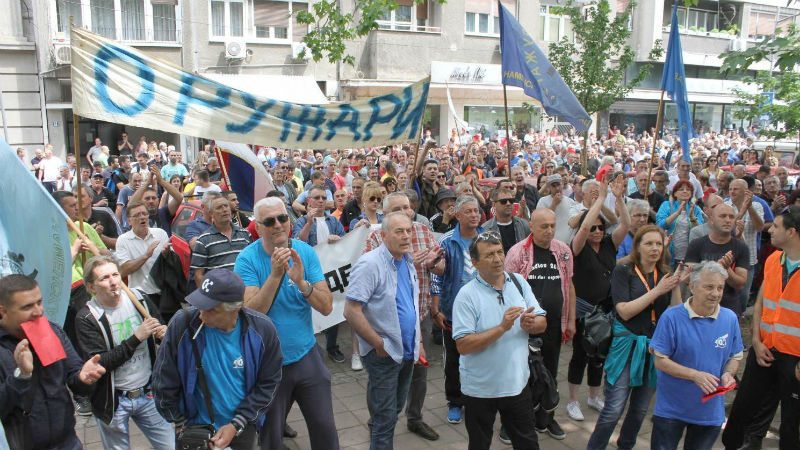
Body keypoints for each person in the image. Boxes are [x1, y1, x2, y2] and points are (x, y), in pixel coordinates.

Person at [233, 197, 339, 450]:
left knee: (325, 429)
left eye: (283, 218)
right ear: (258, 227)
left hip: (306, 355)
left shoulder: (305, 252)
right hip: (267, 364)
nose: (278, 225)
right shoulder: (247, 259)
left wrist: (302, 284)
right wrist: (275, 275)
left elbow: (326, 306)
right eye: (269, 221)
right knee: (270, 437)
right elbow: (250, 312)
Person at [152, 269, 282, 450]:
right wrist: (180, 423)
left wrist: (237, 424)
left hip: (240, 430)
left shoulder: (263, 331)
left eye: (210, 309)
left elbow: (269, 383)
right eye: (200, 305)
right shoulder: (183, 324)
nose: (201, 314)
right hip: (194, 430)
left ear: (235, 308)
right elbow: (163, 380)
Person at [586, 225, 684, 450]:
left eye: (658, 244)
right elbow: (624, 311)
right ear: (638, 246)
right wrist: (658, 290)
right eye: (649, 243)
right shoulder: (624, 270)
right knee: (613, 409)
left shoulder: (664, 273)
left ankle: (626, 445)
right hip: (626, 346)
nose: (654, 248)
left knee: (639, 410)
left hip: (653, 348)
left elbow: (675, 311)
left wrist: (675, 286)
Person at [452, 231, 547, 450]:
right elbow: (463, 346)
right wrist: (502, 328)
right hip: (480, 390)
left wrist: (533, 324)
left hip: (517, 385)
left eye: (499, 252)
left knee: (528, 443)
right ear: (475, 263)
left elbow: (542, 321)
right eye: (489, 255)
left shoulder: (518, 281)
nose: (497, 259)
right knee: (479, 444)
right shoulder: (466, 296)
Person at [363, 192, 444, 441]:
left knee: (418, 373)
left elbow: (442, 267)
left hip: (418, 315)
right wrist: (409, 258)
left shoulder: (422, 229)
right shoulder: (378, 235)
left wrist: (432, 262)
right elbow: (372, 268)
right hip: (388, 323)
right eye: (397, 208)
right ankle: (378, 418)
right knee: (383, 377)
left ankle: (415, 418)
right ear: (385, 216)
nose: (404, 212)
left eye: (407, 207)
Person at [74, 256, 174, 450]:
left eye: (115, 274)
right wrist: (137, 338)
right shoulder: (87, 317)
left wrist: (163, 334)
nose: (113, 282)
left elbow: (159, 329)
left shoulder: (140, 299)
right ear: (91, 287)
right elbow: (101, 363)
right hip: (114, 401)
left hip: (148, 394)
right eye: (104, 278)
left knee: (171, 446)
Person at [723, 206, 800, 450]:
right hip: (764, 348)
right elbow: (761, 303)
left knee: (791, 419)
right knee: (744, 405)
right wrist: (755, 340)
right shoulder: (774, 260)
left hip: (794, 358)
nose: (770, 230)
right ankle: (735, 444)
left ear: (792, 232)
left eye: (776, 226)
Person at [345, 212, 424, 450]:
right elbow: (351, 310)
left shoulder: (407, 261)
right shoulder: (370, 264)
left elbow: (409, 305)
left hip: (406, 350)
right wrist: (378, 343)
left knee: (394, 407)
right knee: (386, 417)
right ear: (383, 235)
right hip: (384, 353)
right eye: (399, 231)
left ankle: (377, 430)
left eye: (408, 231)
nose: (406, 236)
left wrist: (418, 340)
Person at [0, 274, 106, 450]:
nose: (38, 311)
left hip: (68, 442)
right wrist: (21, 376)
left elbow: (74, 377)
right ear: (3, 311)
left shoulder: (53, 331)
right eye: (27, 307)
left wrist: (84, 377)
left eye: (39, 302)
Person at [649, 261, 743, 450]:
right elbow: (660, 361)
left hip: (709, 414)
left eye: (720, 288)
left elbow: (736, 356)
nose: (716, 293)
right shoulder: (671, 318)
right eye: (709, 287)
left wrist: (729, 373)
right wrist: (694, 375)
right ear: (692, 287)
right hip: (671, 411)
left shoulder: (730, 318)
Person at [505, 208, 575, 444]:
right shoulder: (518, 253)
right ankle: (512, 423)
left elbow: (569, 286)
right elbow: (506, 291)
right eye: (543, 226)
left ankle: (546, 417)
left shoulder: (563, 251)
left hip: (554, 326)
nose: (549, 230)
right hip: (524, 328)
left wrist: (571, 319)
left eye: (553, 225)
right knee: (521, 376)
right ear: (531, 227)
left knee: (550, 373)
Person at [566, 180, 629, 427]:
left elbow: (625, 224)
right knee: (580, 355)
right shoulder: (579, 247)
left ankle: (593, 396)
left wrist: (619, 198)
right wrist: (600, 200)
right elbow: (582, 229)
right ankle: (573, 400)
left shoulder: (609, 245)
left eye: (600, 228)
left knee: (600, 355)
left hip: (606, 310)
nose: (597, 231)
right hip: (583, 311)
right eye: (593, 228)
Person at [430, 195, 483, 424]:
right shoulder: (447, 241)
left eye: (476, 211)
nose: (474, 215)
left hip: (482, 312)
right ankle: (455, 401)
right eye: (468, 211)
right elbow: (436, 275)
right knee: (453, 360)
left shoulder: (487, 238)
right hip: (452, 311)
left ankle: (479, 400)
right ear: (458, 215)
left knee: (481, 357)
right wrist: (436, 307)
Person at [684, 203, 749, 315]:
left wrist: (726, 269)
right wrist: (716, 268)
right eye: (723, 216)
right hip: (699, 308)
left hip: (729, 308)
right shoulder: (697, 244)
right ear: (711, 220)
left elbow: (740, 284)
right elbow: (687, 278)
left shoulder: (741, 247)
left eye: (731, 217)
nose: (728, 220)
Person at [116, 201, 171, 309]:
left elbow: (171, 262)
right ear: (129, 221)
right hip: (140, 295)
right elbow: (124, 270)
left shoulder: (160, 233)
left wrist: (166, 254)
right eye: (137, 215)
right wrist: (146, 255)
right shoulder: (123, 240)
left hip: (165, 293)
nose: (142, 217)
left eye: (144, 214)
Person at [190, 195, 253, 287]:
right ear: (211, 213)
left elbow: (253, 263)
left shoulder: (245, 234)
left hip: (246, 292)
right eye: (219, 207)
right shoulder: (204, 240)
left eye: (226, 206)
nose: (224, 210)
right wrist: (209, 298)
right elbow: (198, 275)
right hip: (220, 296)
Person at [656, 180, 704, 265]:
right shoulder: (666, 205)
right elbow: (660, 225)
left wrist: (693, 219)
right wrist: (677, 213)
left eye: (688, 190)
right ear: (675, 193)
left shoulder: (696, 208)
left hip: (690, 255)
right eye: (681, 189)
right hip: (670, 254)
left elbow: (701, 232)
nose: (685, 191)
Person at [481, 187, 530, 254]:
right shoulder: (485, 229)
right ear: (494, 204)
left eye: (511, 201)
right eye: (503, 201)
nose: (508, 203)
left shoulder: (524, 225)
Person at [536, 175, 581, 243]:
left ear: (562, 184)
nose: (557, 188)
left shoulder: (570, 201)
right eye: (553, 186)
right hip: (551, 242)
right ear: (549, 188)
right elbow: (541, 221)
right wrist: (554, 204)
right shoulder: (542, 201)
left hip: (568, 242)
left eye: (558, 185)